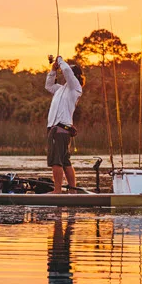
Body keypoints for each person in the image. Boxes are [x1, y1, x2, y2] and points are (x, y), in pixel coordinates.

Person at [45, 55, 85, 193]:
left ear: (76, 76)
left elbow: (67, 71)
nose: (64, 74)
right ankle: (72, 191)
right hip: (57, 129)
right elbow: (48, 85)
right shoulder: (60, 89)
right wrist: (53, 70)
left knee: (56, 161)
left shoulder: (75, 88)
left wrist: (60, 60)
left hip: (60, 130)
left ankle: (57, 191)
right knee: (65, 161)